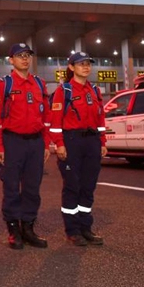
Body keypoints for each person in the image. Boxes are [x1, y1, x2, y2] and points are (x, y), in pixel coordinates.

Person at [0, 43, 51, 249]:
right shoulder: (3, 85)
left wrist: (46, 144)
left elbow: (47, 118)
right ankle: (14, 229)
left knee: (33, 189)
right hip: (12, 142)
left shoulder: (40, 84)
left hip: (35, 143)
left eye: (27, 55)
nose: (25, 59)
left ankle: (29, 228)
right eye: (19, 55)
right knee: (12, 188)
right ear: (11, 60)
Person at [48, 51, 107, 247]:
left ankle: (85, 227)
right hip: (71, 141)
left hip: (91, 142)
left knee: (88, 187)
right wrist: (59, 143)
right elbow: (55, 122)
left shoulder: (95, 90)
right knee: (73, 186)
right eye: (81, 64)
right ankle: (72, 230)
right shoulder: (64, 91)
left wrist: (103, 142)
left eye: (88, 63)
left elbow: (100, 120)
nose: (86, 67)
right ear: (71, 68)